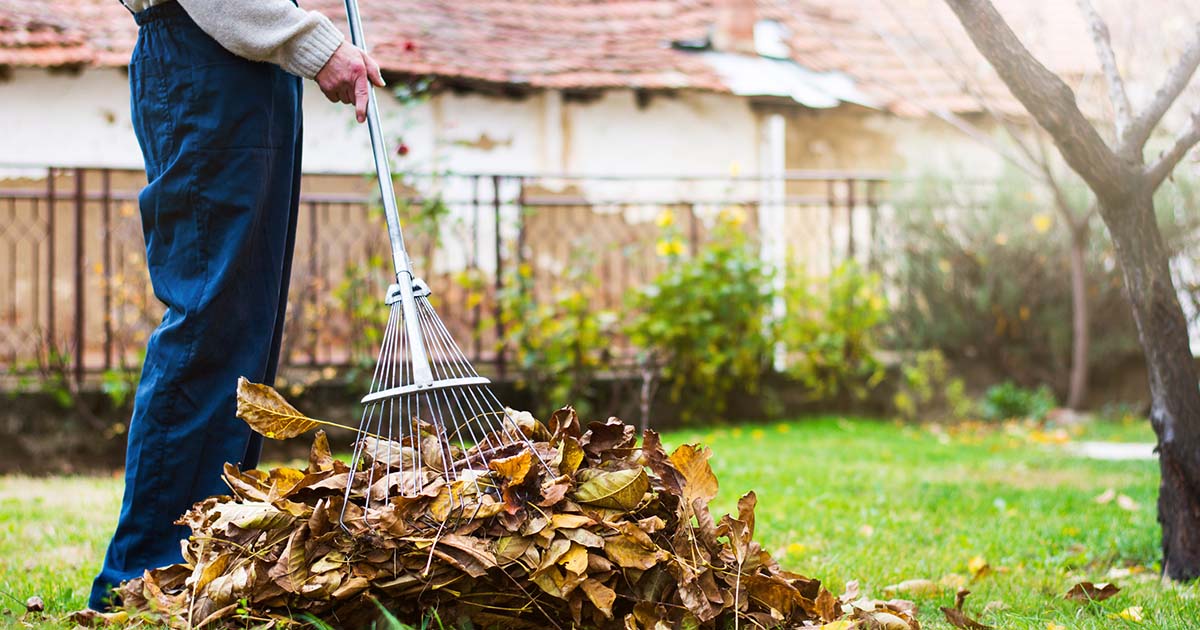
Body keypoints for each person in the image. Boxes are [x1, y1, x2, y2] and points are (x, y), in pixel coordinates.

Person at [89, 0, 384, 610]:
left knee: (246, 329)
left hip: (248, 65)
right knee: (210, 321)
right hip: (205, 55)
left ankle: (206, 561)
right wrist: (311, 40)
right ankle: (146, 576)